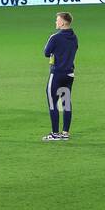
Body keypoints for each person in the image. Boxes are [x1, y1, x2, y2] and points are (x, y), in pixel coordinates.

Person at [43, 11, 78, 141]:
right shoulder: (74, 37)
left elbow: (46, 52)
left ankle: (55, 134)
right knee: (66, 103)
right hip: (69, 74)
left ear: (63, 22)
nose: (56, 22)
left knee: (53, 104)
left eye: (57, 20)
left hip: (57, 74)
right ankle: (65, 133)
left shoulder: (55, 37)